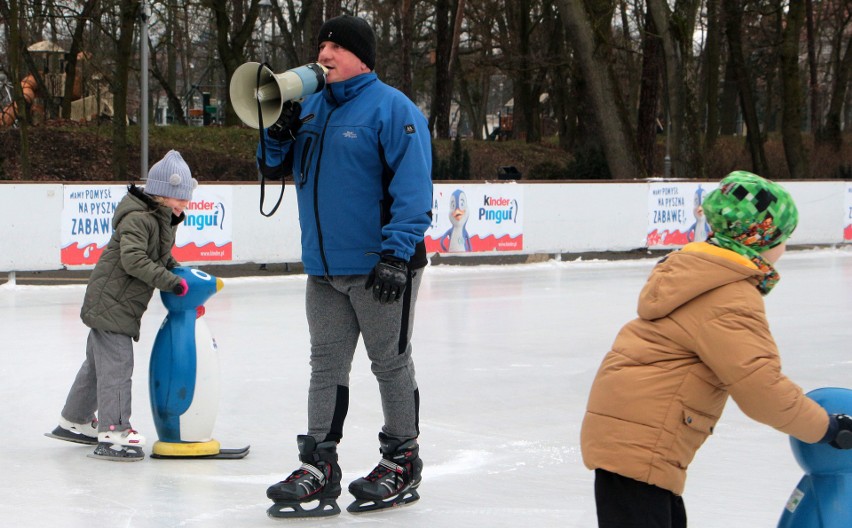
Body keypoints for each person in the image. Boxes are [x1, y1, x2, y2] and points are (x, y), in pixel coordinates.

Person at [580, 171, 852, 527]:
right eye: (784, 237)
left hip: (631, 437)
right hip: (641, 444)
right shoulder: (729, 296)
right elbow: (760, 388)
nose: (785, 248)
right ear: (760, 239)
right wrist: (830, 429)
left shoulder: (700, 272)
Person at [256, 14, 432, 518]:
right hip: (324, 269)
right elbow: (272, 167)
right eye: (320, 45)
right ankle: (319, 465)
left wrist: (397, 254)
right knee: (325, 367)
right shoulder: (308, 107)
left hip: (382, 266)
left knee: (389, 363)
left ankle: (402, 458)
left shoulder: (393, 109)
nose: (324, 54)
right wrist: (276, 130)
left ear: (361, 57)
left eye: (335, 46)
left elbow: (414, 191)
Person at [47, 150, 198, 462]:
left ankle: (74, 420)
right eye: (181, 198)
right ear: (163, 195)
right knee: (117, 367)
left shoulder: (161, 219)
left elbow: (161, 257)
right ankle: (115, 432)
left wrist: (182, 274)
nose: (186, 204)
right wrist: (169, 282)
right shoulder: (139, 218)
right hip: (112, 303)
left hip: (114, 302)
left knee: (96, 366)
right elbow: (134, 260)